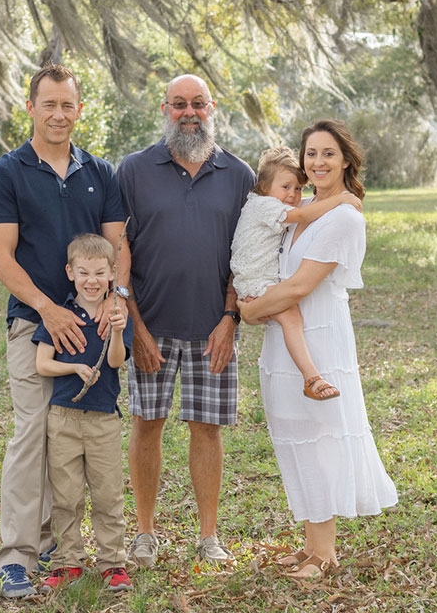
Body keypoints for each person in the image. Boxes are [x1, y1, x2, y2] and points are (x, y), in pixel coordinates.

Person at [0, 63, 130, 599]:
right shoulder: (7, 172)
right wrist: (48, 309)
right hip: (34, 324)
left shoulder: (102, 173)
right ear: (31, 108)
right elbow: (2, 257)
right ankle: (17, 556)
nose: (59, 114)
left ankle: (53, 541)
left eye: (68, 105)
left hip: (92, 328)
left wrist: (117, 299)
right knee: (31, 432)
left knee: (71, 435)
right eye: (50, 104)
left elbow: (118, 247)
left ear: (79, 109)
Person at [237, 119, 397, 579]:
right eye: (311, 154)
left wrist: (248, 312)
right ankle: (310, 546)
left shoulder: (343, 217)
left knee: (321, 439)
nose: (318, 162)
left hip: (319, 339)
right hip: (284, 343)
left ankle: (325, 554)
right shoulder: (300, 208)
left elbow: (300, 286)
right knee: (296, 438)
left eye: (328, 153)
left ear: (345, 158)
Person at [116, 74, 255, 567]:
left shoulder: (239, 174)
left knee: (207, 430)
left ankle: (208, 537)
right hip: (150, 326)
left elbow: (249, 254)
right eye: (179, 104)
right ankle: (145, 533)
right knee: (146, 425)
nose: (189, 112)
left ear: (212, 107)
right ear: (165, 109)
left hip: (213, 328)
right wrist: (135, 327)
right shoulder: (131, 170)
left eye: (198, 103)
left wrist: (230, 318)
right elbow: (119, 249)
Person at [33, 234, 133, 593]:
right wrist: (73, 368)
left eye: (100, 273)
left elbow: (116, 361)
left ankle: (112, 563)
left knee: (108, 494)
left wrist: (119, 334)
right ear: (70, 272)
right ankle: (67, 562)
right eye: (84, 272)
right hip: (64, 416)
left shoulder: (117, 315)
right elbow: (42, 364)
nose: (92, 280)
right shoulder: (59, 315)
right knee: (66, 494)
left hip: (104, 417)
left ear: (111, 276)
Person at [231, 146, 362, 401]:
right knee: (290, 317)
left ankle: (310, 377)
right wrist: (340, 199)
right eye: (286, 187)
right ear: (265, 186)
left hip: (254, 277)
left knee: (289, 318)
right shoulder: (264, 206)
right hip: (254, 279)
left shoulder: (268, 201)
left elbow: (304, 208)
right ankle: (311, 377)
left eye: (298, 188)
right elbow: (302, 213)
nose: (292, 195)